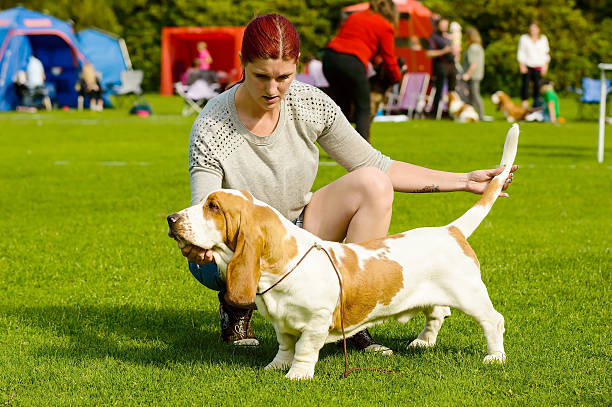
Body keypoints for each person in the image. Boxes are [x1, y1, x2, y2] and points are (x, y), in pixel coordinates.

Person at [181, 13, 517, 354]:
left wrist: (464, 181)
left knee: (373, 183)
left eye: (283, 77)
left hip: (297, 232)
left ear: (298, 65)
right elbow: (206, 209)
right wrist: (200, 246)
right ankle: (237, 308)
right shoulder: (212, 124)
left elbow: (378, 165)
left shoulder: (310, 103)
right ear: (242, 63)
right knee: (220, 240)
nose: (272, 90)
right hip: (231, 245)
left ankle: (353, 315)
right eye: (261, 77)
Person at [322, 0, 402, 142]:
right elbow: (389, 59)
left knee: (342, 105)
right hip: (352, 62)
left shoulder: (355, 16)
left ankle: (337, 145)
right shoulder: (385, 26)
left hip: (329, 59)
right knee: (363, 107)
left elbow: (352, 39)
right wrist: (397, 78)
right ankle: (363, 151)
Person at [426, 18, 457, 119]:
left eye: (446, 24)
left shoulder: (448, 38)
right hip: (440, 65)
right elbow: (428, 54)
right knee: (438, 90)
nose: (444, 27)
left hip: (451, 65)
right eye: (442, 24)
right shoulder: (433, 37)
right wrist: (444, 51)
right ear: (438, 25)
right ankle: (434, 113)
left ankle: (451, 112)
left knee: (452, 91)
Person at [517, 21, 550, 109]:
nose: (533, 31)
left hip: (538, 66)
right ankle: (524, 107)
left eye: (534, 29)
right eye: (531, 29)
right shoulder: (524, 38)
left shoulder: (543, 39)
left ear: (538, 30)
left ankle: (537, 106)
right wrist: (521, 65)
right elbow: (521, 52)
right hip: (527, 66)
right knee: (525, 86)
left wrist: (545, 66)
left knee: (537, 87)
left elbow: (545, 54)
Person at [461, 27, 486, 121]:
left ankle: (481, 115)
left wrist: (467, 74)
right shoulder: (478, 46)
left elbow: (473, 64)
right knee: (472, 95)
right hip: (477, 75)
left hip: (473, 75)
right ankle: (471, 113)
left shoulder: (473, 47)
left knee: (475, 95)